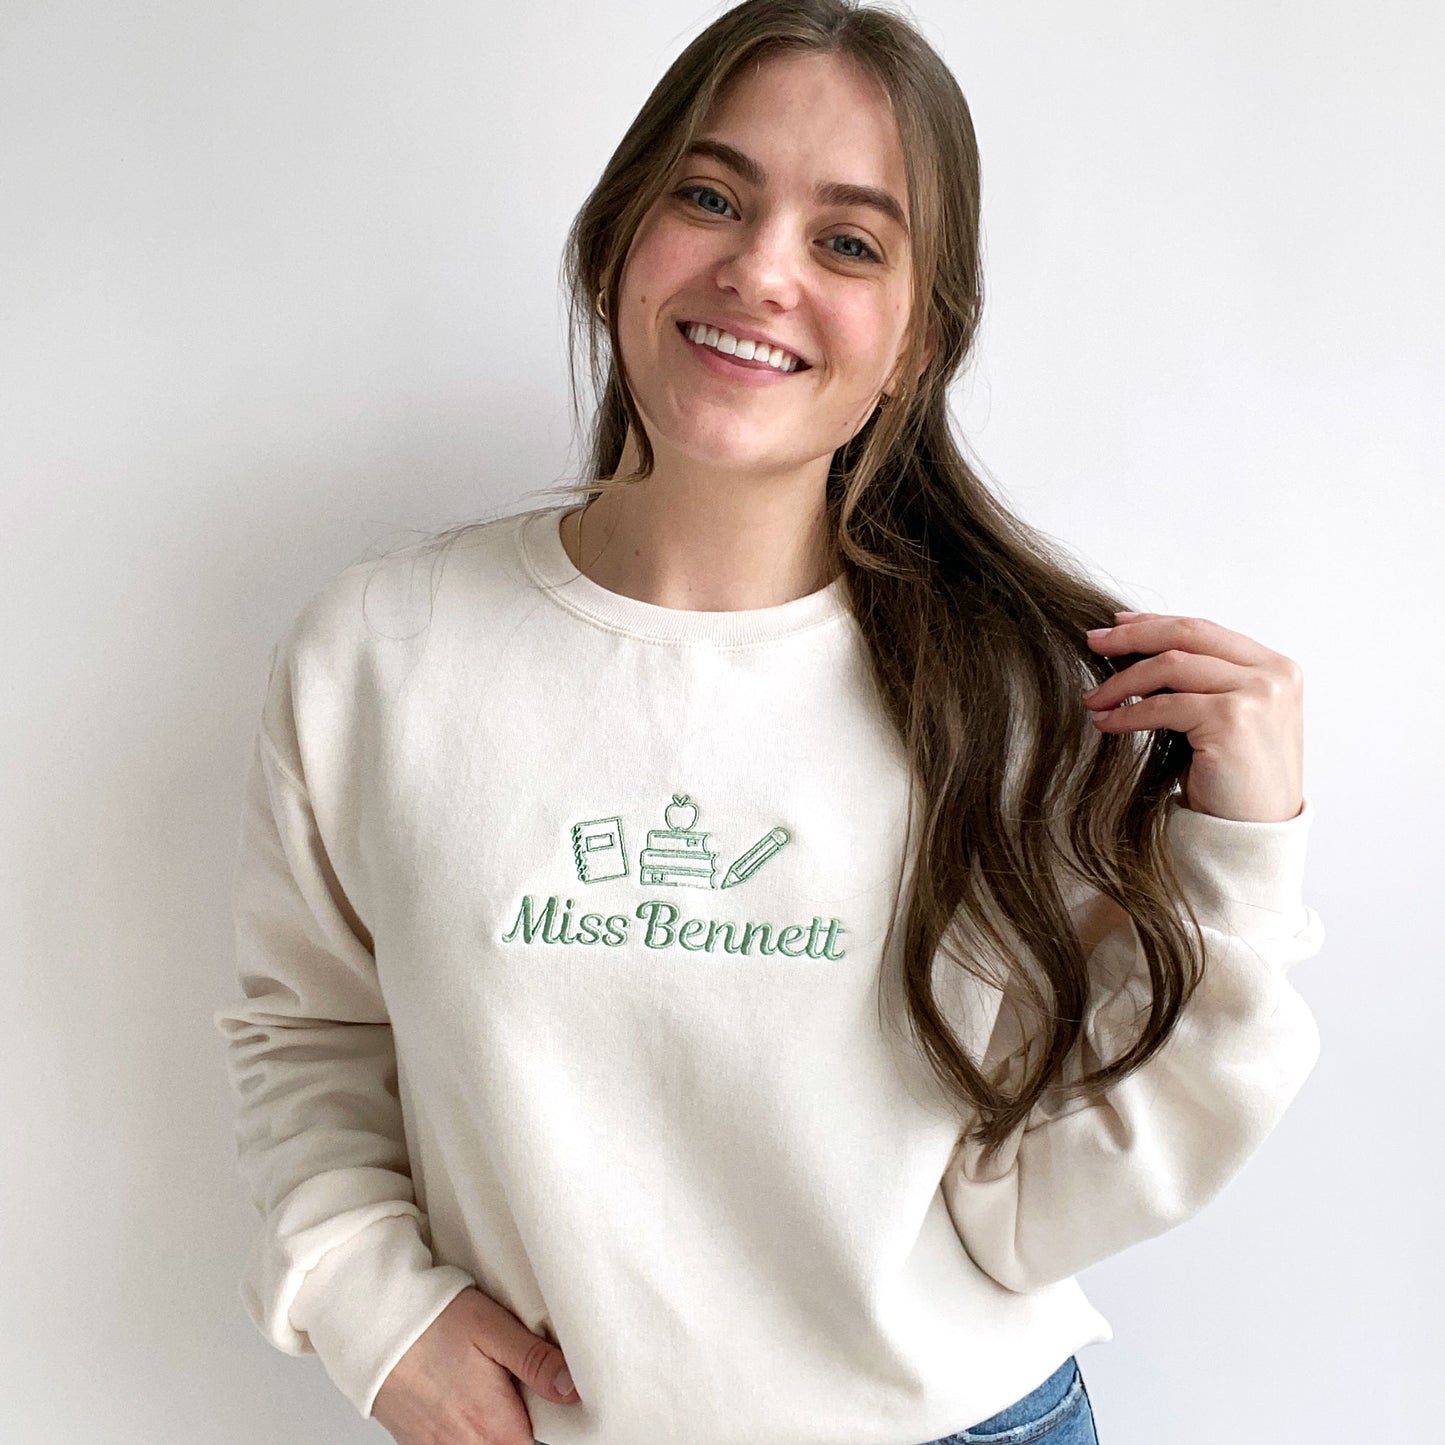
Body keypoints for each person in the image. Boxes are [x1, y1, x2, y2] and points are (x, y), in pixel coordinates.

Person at [212, 3, 1323, 1443]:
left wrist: (1238, 863)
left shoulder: (1015, 699)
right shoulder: (380, 651)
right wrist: (369, 1298)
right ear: (617, 234)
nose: (759, 270)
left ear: (918, 341)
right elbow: (304, 1029)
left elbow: (1041, 1204)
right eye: (710, 195)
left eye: (848, 240)